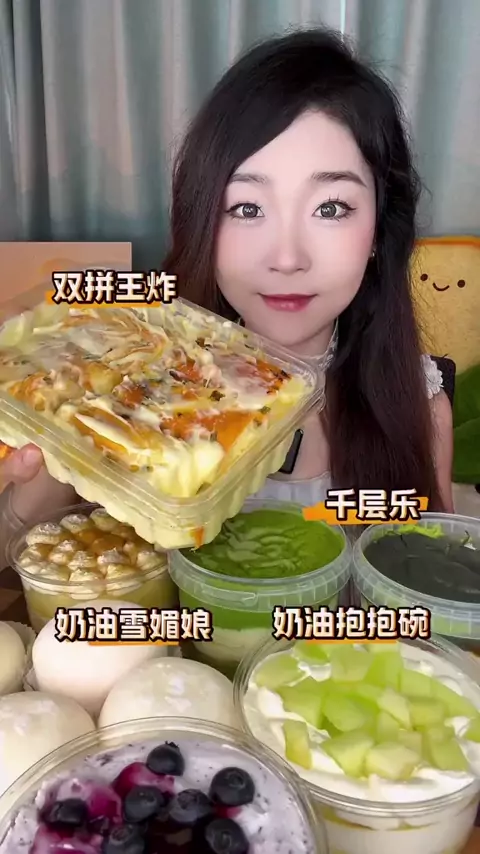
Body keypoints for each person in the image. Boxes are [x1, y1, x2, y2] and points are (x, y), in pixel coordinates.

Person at [0, 27, 454, 569]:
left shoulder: (420, 408)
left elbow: (431, 580)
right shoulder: (115, 386)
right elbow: (25, 557)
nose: (286, 257)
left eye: (331, 208)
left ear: (379, 228)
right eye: (247, 208)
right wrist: (29, 485)